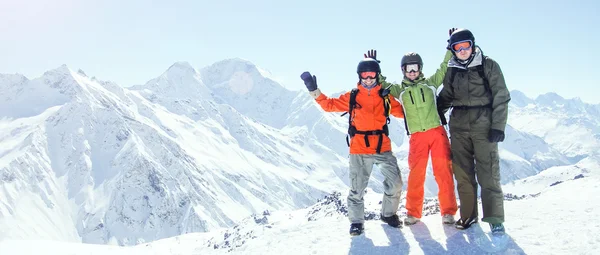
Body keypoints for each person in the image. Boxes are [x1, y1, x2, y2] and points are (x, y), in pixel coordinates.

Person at [300, 57, 405, 236]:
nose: (368, 78)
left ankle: (388, 214)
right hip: (359, 149)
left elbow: (403, 113)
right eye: (364, 74)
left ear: (377, 75)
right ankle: (356, 222)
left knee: (395, 184)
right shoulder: (353, 96)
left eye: (372, 74)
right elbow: (329, 105)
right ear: (359, 76)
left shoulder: (385, 96)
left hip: (382, 147)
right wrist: (313, 90)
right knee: (357, 189)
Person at [365, 44, 458, 226]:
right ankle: (413, 213)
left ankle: (448, 212)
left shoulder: (430, 83)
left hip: (436, 132)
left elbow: (444, 67)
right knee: (416, 175)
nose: (412, 72)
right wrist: (374, 65)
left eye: (415, 68)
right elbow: (382, 84)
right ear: (403, 70)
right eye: (409, 68)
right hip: (417, 137)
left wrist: (451, 48)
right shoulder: (401, 90)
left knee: (444, 173)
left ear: (420, 68)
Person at [437, 28, 511, 235]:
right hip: (459, 126)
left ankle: (495, 218)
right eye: (457, 47)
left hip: (484, 125)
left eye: (465, 46)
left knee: (488, 172)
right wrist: (437, 112)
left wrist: (498, 126)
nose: (462, 51)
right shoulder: (452, 70)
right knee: (463, 173)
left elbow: (501, 96)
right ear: (452, 50)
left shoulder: (488, 65)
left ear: (473, 45)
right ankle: (468, 216)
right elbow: (446, 95)